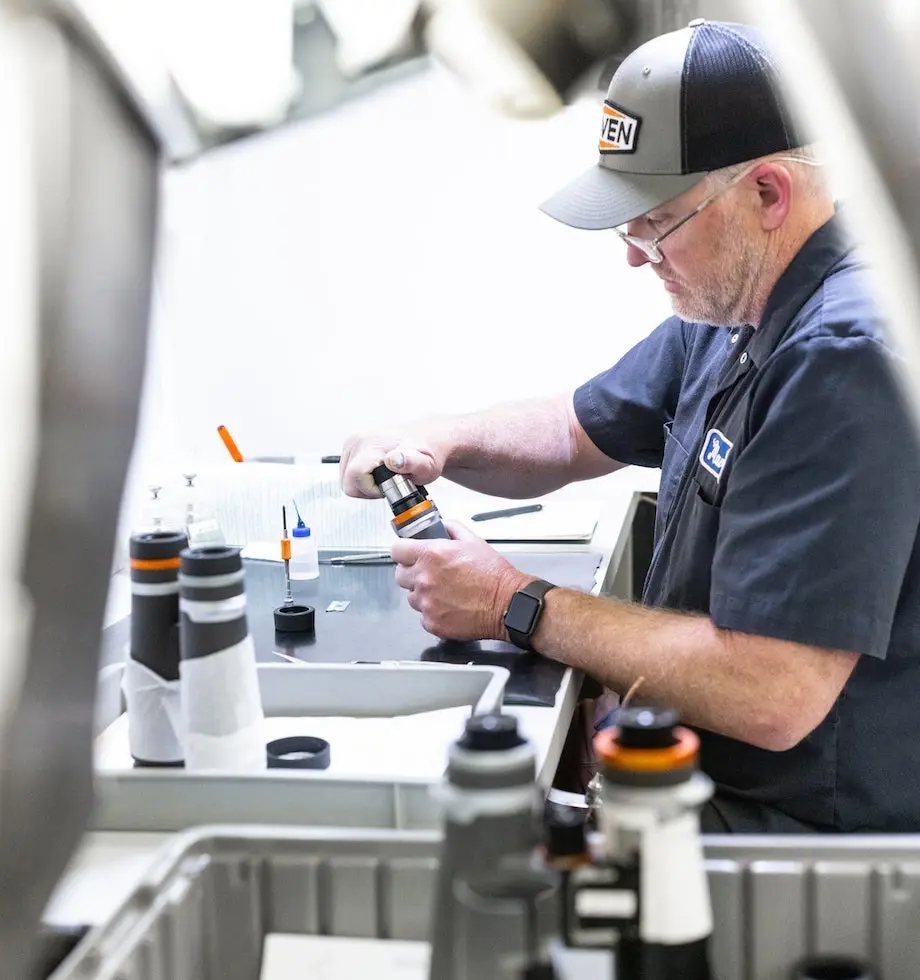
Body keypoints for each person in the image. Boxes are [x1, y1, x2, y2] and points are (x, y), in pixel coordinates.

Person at [339, 20, 920, 834]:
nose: (634, 256)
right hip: (694, 779)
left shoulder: (843, 356)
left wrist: (513, 602)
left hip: (792, 836)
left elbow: (772, 691)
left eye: (656, 221)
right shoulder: (734, 305)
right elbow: (577, 429)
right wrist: (438, 440)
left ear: (765, 193)